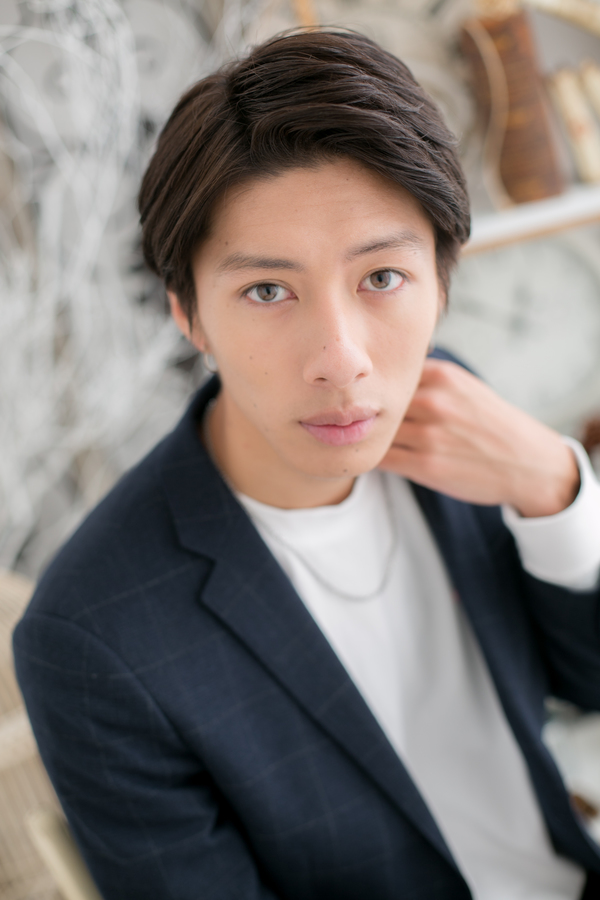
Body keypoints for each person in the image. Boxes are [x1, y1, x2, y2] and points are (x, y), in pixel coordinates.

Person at [13, 29, 600, 900]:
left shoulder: (458, 415)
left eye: (382, 278)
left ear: (443, 280)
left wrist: (557, 490)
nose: (342, 360)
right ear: (188, 313)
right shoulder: (93, 636)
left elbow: (586, 682)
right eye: (267, 291)